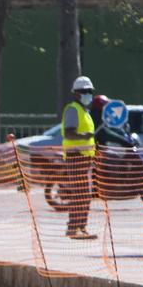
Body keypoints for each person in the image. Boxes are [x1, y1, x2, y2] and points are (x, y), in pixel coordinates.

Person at [60, 75, 99, 240]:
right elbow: (69, 132)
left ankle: (81, 227)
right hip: (75, 157)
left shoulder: (85, 111)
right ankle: (73, 228)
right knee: (80, 194)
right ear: (75, 93)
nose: (87, 94)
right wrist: (85, 135)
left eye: (89, 91)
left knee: (85, 194)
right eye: (84, 91)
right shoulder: (73, 109)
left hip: (85, 158)